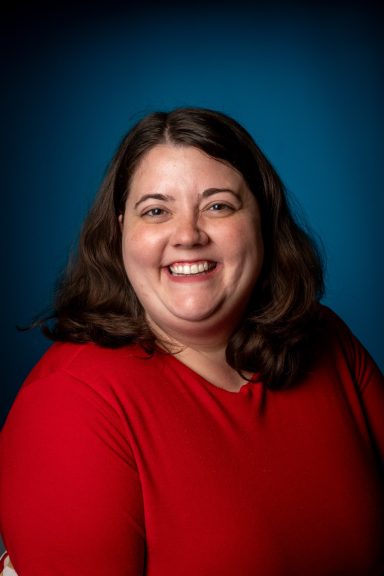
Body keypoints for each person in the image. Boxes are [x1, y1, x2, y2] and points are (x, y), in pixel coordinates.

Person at [0, 107, 383, 575]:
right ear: (121, 229)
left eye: (218, 205)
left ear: (261, 218)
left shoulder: (327, 340)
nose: (187, 235)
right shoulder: (68, 404)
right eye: (156, 211)